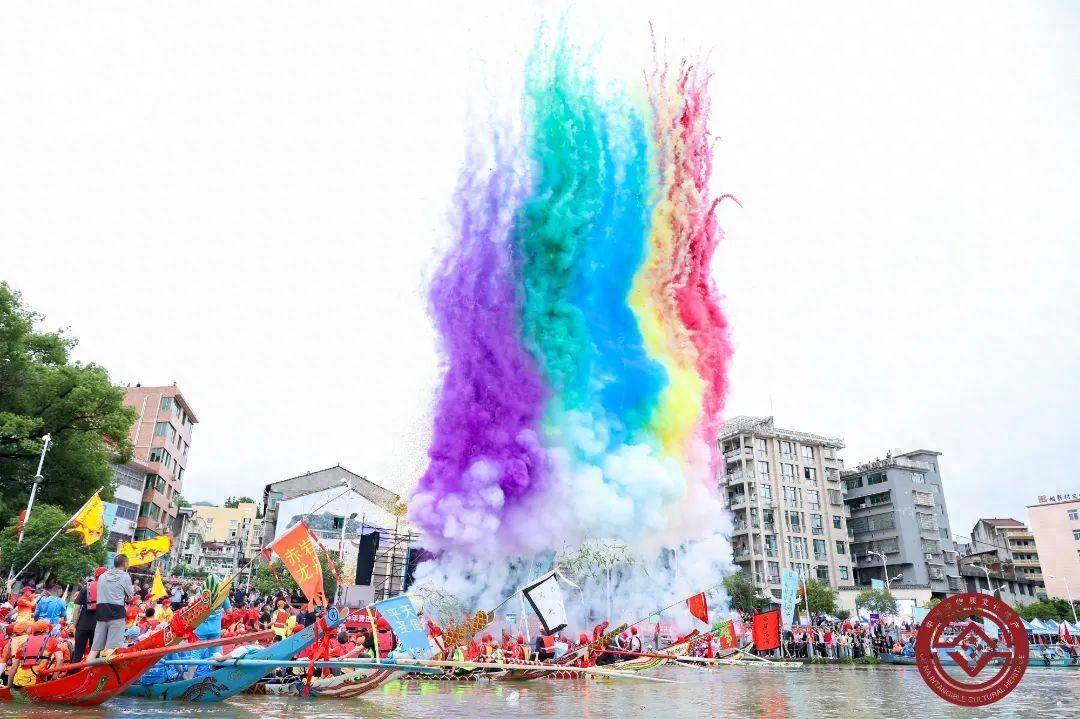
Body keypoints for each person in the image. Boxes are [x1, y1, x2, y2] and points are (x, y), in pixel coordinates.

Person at [91, 554, 135, 658]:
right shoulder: (125, 576)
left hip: (101, 612)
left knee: (95, 648)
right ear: (124, 564)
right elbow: (130, 597)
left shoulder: (102, 576)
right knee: (112, 648)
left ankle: (85, 670)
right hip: (117, 613)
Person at [71, 568, 105, 663]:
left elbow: (76, 609)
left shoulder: (85, 589)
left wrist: (74, 625)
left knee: (78, 652)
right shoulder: (107, 590)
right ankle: (90, 675)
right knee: (94, 654)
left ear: (94, 576)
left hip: (82, 625)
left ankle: (73, 674)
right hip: (98, 627)